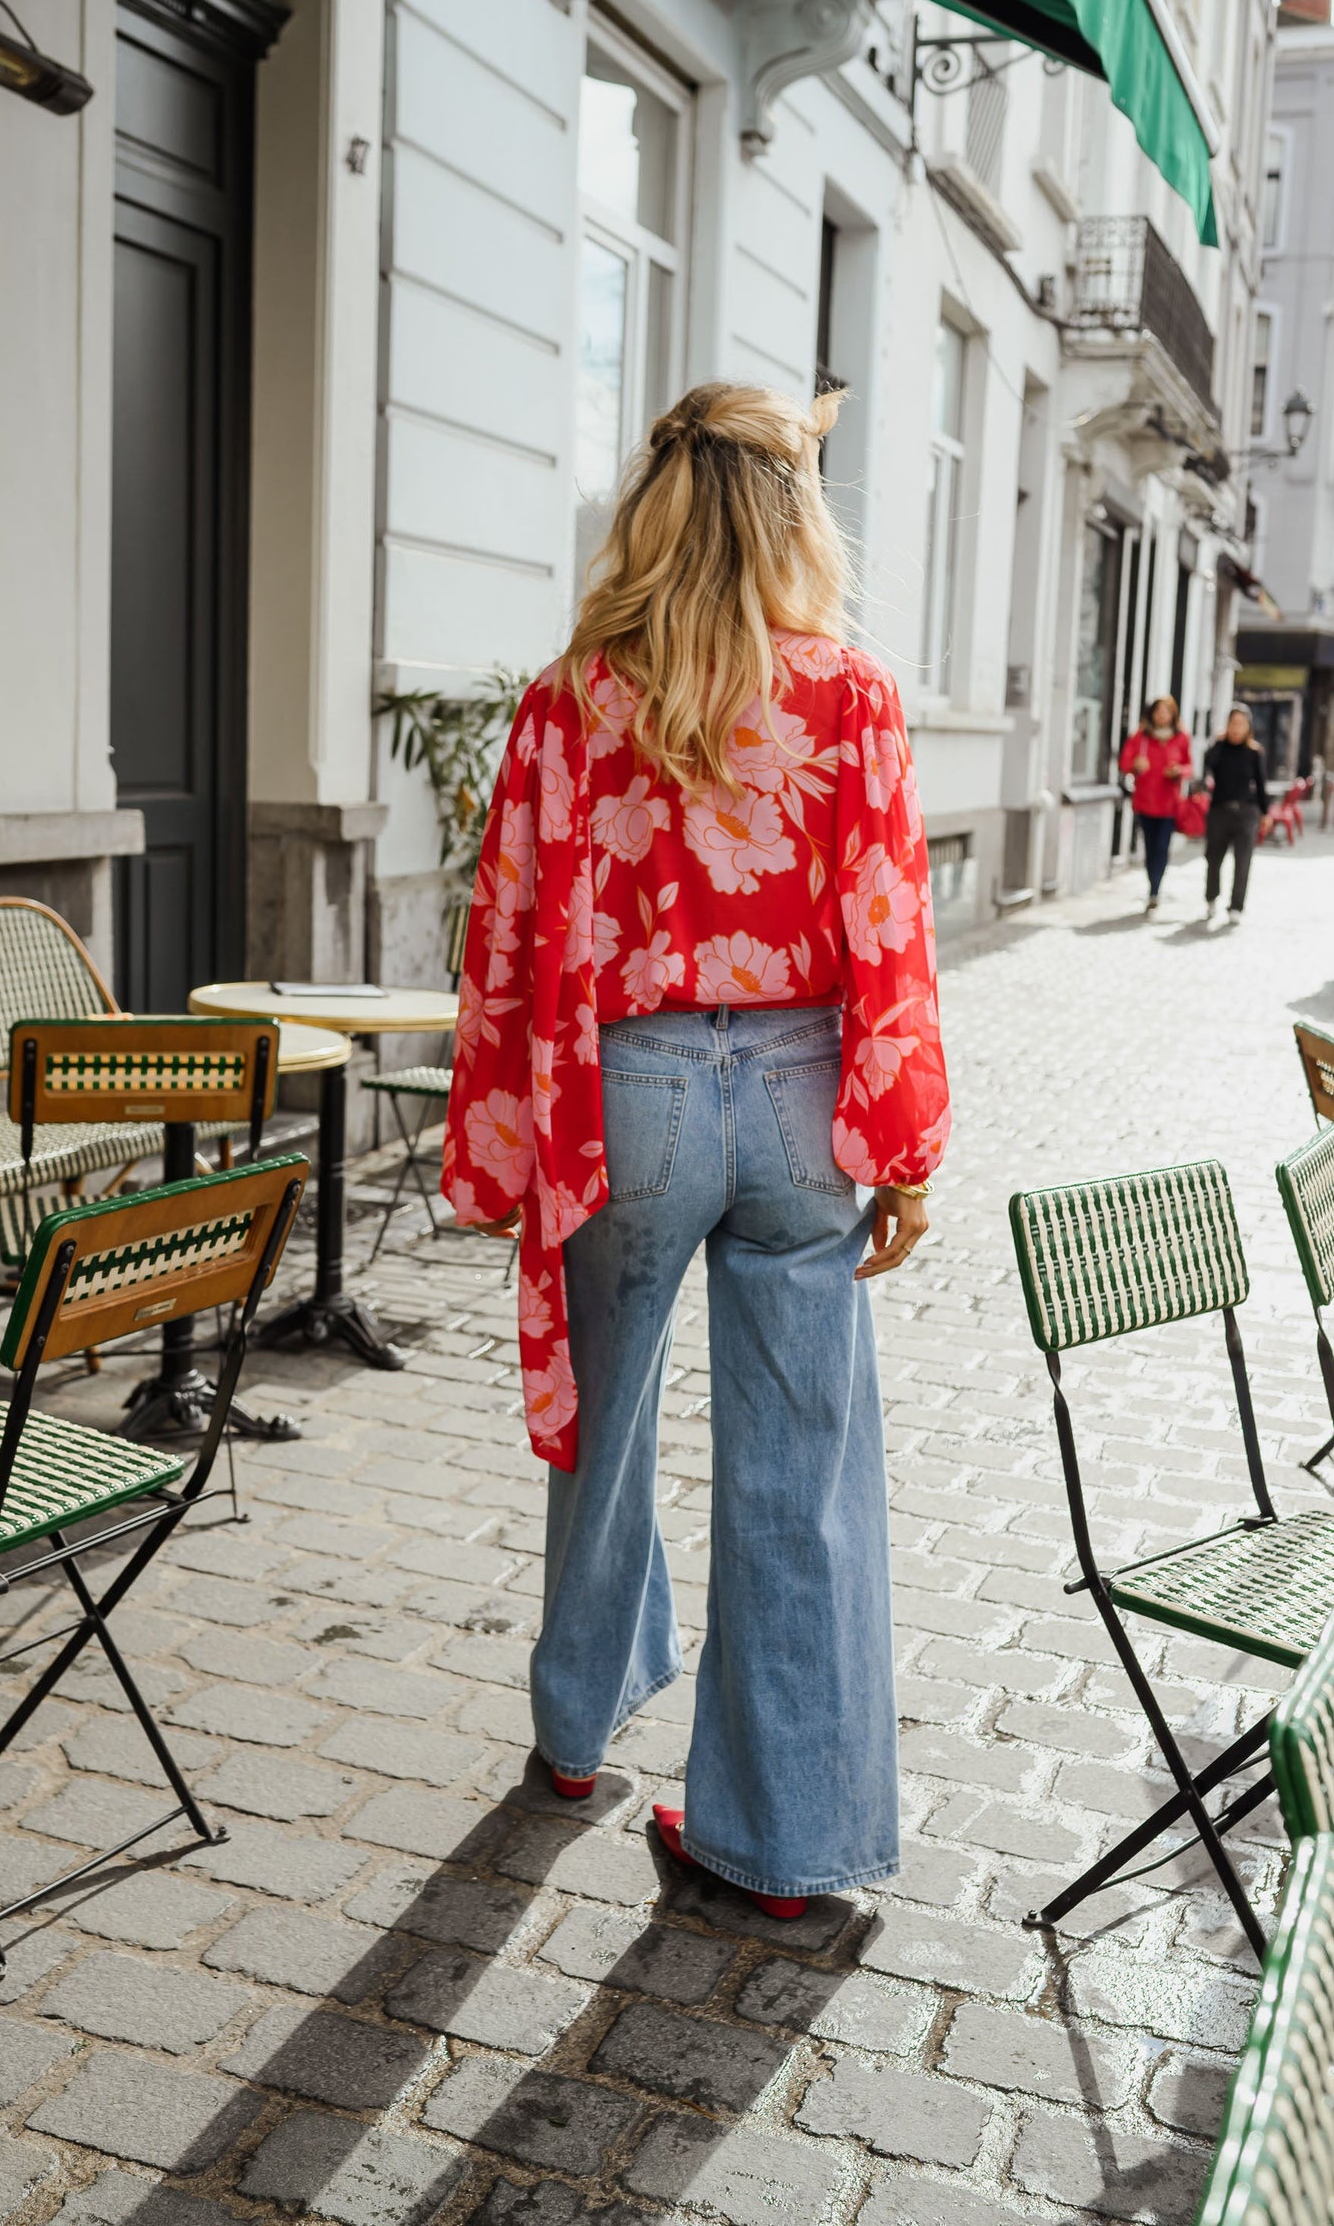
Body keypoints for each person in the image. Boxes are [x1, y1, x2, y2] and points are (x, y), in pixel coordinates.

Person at [443, 383, 949, 1919]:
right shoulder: (848, 695)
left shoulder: (570, 695)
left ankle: (574, 1734)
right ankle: (785, 1844)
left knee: (602, 1430)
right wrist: (905, 1140)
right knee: (800, 1475)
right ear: (792, 513)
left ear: (651, 505)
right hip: (802, 1093)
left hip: (628, 1098)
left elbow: (510, 931)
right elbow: (888, 927)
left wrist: (505, 1143)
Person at [1119, 695, 1192, 914]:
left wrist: (1179, 771)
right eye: (1158, 711)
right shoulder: (1140, 737)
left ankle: (1155, 890)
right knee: (1150, 848)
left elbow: (1189, 766)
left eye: (1166, 711)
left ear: (1172, 715)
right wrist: (1135, 765)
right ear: (1152, 714)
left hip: (1169, 804)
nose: (1162, 715)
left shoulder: (1181, 738)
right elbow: (1124, 763)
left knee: (1162, 847)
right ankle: (1152, 884)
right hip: (1145, 802)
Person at [1203, 704, 1269, 923]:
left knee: (1243, 861)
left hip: (1246, 813)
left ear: (1248, 726)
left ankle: (1236, 906)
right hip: (1219, 811)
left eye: (1241, 724)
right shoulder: (1219, 748)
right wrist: (1218, 742)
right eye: (1233, 723)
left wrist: (1265, 813)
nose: (1236, 728)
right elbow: (1207, 765)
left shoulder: (1254, 752)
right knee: (1213, 858)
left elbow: (1260, 785)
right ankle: (1211, 898)